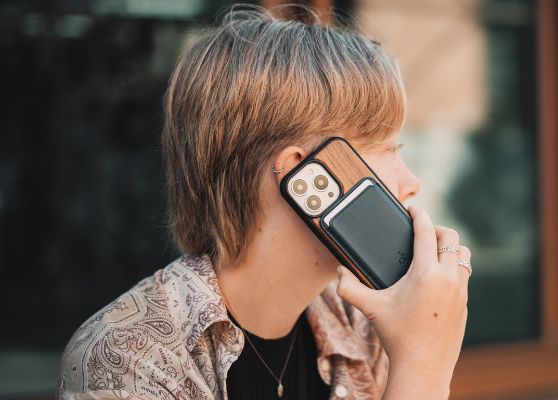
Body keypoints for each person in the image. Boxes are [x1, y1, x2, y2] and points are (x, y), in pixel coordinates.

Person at [57, 4, 472, 400]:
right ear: (305, 173)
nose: (411, 182)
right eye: (387, 148)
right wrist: (423, 366)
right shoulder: (129, 356)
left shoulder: (366, 323)